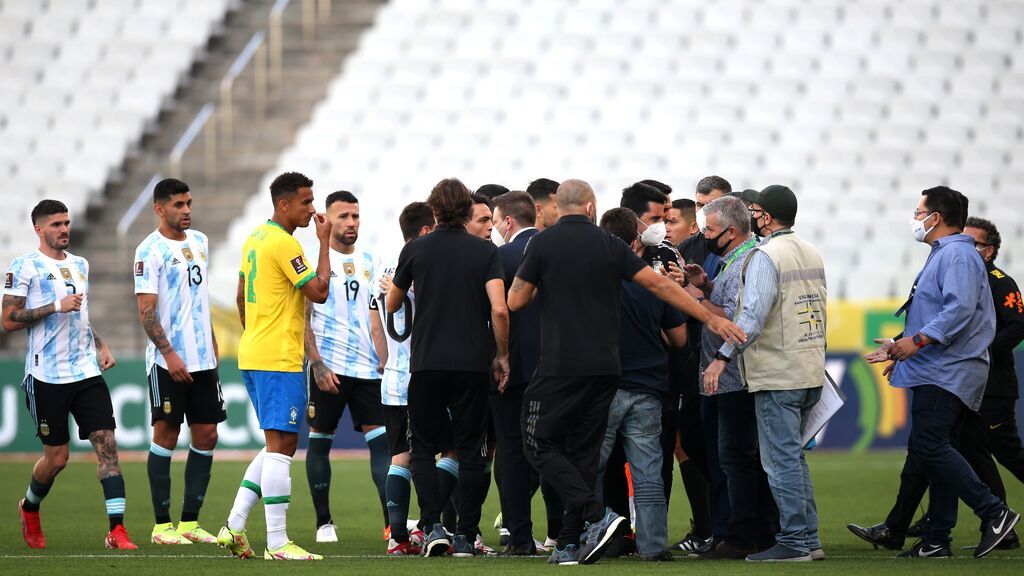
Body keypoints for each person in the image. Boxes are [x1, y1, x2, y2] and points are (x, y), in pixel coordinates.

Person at [508, 179, 745, 566]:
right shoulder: (612, 248)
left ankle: (597, 514)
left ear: (560, 207)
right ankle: (570, 544)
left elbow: (516, 301)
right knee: (587, 457)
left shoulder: (543, 245)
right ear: (589, 208)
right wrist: (709, 318)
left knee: (537, 442)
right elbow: (659, 286)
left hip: (561, 365)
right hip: (606, 370)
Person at [858, 189, 1019, 559]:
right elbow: (944, 311)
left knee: (930, 446)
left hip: (947, 370)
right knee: (937, 448)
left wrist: (917, 340)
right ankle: (936, 539)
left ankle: (994, 512)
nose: (915, 217)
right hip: (946, 368)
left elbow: (960, 309)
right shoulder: (951, 254)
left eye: (919, 211)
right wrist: (900, 343)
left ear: (938, 216)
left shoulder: (958, 255)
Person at [386, 178, 510, 558]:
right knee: (471, 449)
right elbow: (500, 309)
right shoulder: (485, 252)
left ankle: (433, 525)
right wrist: (502, 355)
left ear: (435, 210)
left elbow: (392, 304)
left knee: (421, 447)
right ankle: (464, 535)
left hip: (427, 363)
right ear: (467, 210)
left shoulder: (416, 249)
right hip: (473, 364)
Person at [703, 185, 826, 562]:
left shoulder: (765, 255)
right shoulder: (810, 251)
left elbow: (751, 317)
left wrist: (723, 356)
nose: (751, 216)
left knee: (779, 460)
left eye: (754, 211)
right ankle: (809, 539)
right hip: (809, 367)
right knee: (794, 458)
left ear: (766, 217)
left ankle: (793, 542)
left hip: (777, 370)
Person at [6, 200, 136, 550]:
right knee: (57, 458)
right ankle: (30, 507)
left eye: (66, 222)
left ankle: (117, 530)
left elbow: (81, 314)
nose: (64, 229)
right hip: (46, 375)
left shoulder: (81, 264)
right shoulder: (24, 266)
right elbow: (7, 319)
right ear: (39, 229)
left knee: (107, 446)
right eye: (56, 224)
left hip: (85, 371)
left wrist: (100, 343)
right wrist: (54, 306)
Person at [218, 172, 332, 561]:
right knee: (283, 448)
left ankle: (233, 526)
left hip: (255, 353)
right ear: (284, 204)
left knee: (274, 446)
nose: (313, 209)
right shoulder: (285, 244)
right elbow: (318, 290)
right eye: (306, 202)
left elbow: (238, 295)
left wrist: (257, 333)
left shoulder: (256, 238)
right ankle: (278, 543)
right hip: (277, 358)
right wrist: (325, 243)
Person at [685, 196, 778, 559]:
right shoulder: (734, 260)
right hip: (728, 377)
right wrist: (706, 286)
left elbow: (737, 320)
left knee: (737, 458)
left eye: (709, 230)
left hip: (737, 376)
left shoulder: (750, 262)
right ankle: (756, 531)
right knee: (738, 457)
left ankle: (743, 536)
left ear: (732, 231)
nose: (704, 236)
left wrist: (695, 299)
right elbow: (727, 305)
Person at [133, 178, 224, 546]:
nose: (187, 210)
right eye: (178, 205)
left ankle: (189, 522)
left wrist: (213, 340)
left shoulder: (200, 241)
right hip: (168, 361)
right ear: (160, 209)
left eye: (189, 203)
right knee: (166, 435)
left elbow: (198, 298)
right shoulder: (149, 250)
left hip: (204, 360)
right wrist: (169, 353)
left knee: (207, 434)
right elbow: (146, 311)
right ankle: (161, 526)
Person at [596, 207, 686, 562]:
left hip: (603, 387)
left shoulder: (594, 282)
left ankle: (590, 538)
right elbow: (679, 338)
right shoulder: (654, 281)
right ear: (636, 241)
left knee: (592, 470)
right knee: (649, 474)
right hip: (647, 387)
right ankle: (652, 546)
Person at [303, 191, 390, 543]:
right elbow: (302, 318)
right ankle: (324, 522)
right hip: (329, 369)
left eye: (355, 216)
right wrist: (317, 363)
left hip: (369, 370)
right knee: (320, 443)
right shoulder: (312, 262)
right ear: (326, 219)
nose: (351, 223)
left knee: (383, 446)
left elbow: (381, 315)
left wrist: (386, 359)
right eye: (343, 217)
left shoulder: (371, 261)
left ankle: (392, 523)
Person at [490, 190, 560, 555]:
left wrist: (499, 356)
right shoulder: (559, 251)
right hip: (562, 368)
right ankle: (567, 533)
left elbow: (497, 312)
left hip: (514, 369)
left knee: (513, 452)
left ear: (506, 221)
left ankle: (519, 538)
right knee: (560, 447)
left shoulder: (500, 256)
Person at [669, 175, 731, 554]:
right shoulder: (688, 248)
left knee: (729, 447)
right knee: (694, 439)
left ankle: (728, 525)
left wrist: (696, 294)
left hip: (726, 360)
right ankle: (712, 526)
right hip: (697, 359)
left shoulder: (749, 250)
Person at [374, 202, 435, 556]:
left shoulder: (383, 270)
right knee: (439, 453)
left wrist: (384, 362)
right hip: (424, 374)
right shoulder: (425, 268)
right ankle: (431, 526)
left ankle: (397, 537)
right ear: (427, 231)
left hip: (393, 376)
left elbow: (374, 324)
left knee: (400, 456)